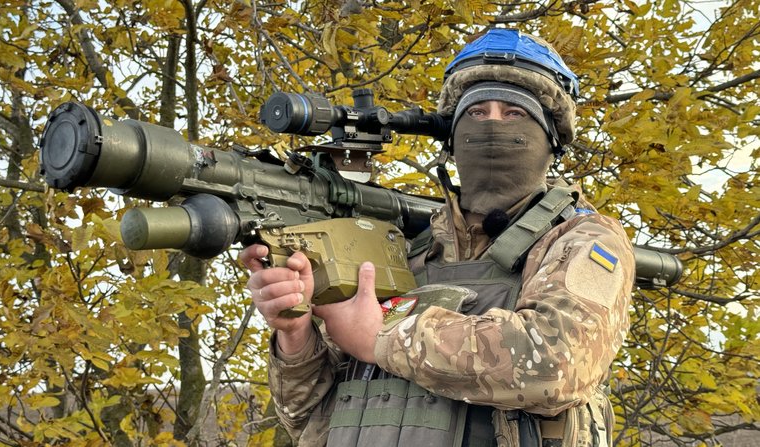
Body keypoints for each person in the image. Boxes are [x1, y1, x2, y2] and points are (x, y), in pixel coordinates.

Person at [240, 28, 634, 447]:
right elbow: (309, 423)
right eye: (476, 112)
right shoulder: (405, 253)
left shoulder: (582, 238)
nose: (492, 124)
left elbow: (556, 366)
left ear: (550, 138)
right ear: (452, 138)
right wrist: (296, 335)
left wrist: (383, 339)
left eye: (513, 113)